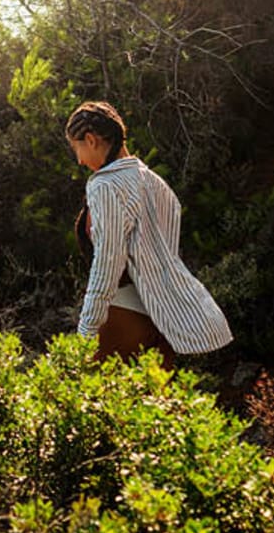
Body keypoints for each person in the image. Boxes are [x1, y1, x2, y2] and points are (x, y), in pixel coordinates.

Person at [65, 101, 232, 365]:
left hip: (124, 314)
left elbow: (108, 261)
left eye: (77, 148)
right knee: (154, 405)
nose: (79, 160)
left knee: (85, 399)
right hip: (165, 320)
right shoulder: (156, 182)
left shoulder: (105, 185)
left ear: (91, 140)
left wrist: (86, 329)